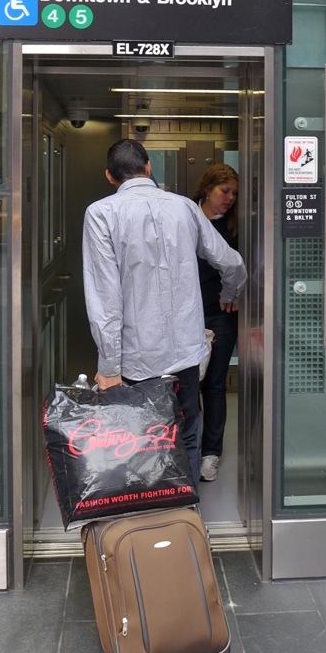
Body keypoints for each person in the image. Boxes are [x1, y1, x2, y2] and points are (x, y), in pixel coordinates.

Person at [82, 139, 247, 485]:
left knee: (142, 440)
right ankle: (186, 505)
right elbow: (231, 262)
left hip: (137, 357)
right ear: (148, 167)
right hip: (186, 352)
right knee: (187, 431)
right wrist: (230, 293)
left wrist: (108, 366)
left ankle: (151, 511)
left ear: (110, 176)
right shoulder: (184, 207)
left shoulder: (101, 213)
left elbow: (104, 297)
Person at [192, 164, 240, 482]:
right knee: (184, 384)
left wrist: (236, 292)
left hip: (221, 316)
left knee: (215, 385)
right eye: (225, 191)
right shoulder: (187, 218)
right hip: (186, 315)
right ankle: (185, 450)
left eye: (234, 193)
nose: (230, 198)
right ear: (208, 189)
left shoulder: (235, 227)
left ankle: (210, 454)